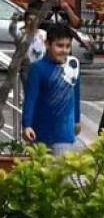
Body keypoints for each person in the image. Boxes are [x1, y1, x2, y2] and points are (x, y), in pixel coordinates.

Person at [21, 23, 81, 155]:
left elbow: (75, 95)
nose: (64, 50)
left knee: (61, 173)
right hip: (39, 131)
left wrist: (77, 120)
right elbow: (30, 98)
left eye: (67, 46)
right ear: (47, 44)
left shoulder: (73, 65)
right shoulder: (38, 68)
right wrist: (27, 124)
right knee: (39, 173)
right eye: (59, 46)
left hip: (64, 133)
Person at [9, 2, 47, 85]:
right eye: (29, 19)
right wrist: (14, 21)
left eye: (35, 20)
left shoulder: (43, 34)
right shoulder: (21, 33)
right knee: (29, 91)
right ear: (25, 20)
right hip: (27, 67)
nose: (32, 22)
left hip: (42, 67)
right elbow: (12, 31)